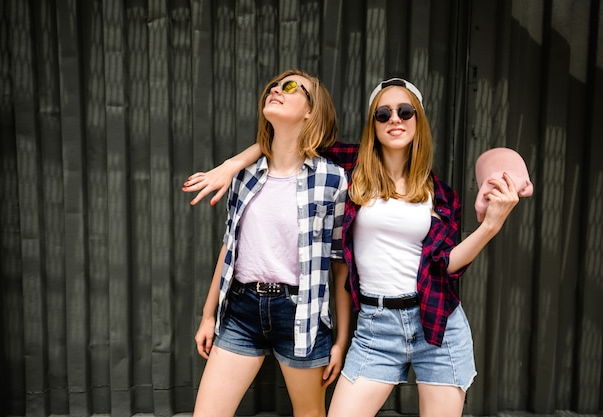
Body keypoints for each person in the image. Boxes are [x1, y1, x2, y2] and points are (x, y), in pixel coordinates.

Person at [184, 77, 521, 417]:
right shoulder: (351, 169)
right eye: (383, 114)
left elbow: (446, 265)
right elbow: (289, 141)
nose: (395, 119)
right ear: (372, 125)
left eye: (405, 112)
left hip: (436, 323)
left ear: (418, 120)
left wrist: (490, 226)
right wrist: (231, 165)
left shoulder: (441, 194)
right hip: (376, 328)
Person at [189, 69, 350, 417]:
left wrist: (340, 341)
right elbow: (230, 248)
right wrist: (208, 315)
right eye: (273, 88)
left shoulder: (333, 179)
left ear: (311, 110)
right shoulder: (243, 175)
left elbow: (339, 266)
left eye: (290, 87)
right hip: (241, 311)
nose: (276, 90)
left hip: (301, 315)